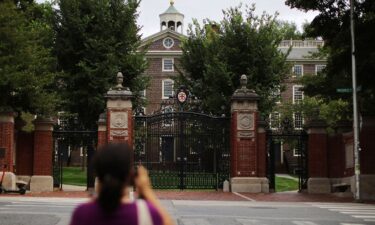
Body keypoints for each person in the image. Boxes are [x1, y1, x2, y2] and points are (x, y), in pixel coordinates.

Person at [70, 143, 174, 225]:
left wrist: (97, 194)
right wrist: (146, 190)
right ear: (131, 175)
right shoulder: (145, 213)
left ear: (97, 172)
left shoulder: (83, 213)